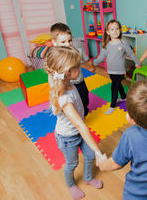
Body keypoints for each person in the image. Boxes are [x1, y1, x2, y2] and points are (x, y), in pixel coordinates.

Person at [44, 46, 105, 200]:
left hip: (78, 132)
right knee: (72, 164)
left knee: (89, 155)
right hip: (67, 138)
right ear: (66, 72)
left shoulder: (68, 81)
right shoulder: (63, 97)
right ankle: (71, 184)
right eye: (77, 67)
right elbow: (80, 125)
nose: (80, 68)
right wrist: (99, 152)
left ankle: (88, 177)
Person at [91, 20, 141, 115]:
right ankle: (123, 96)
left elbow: (131, 53)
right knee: (117, 85)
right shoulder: (107, 45)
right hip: (111, 71)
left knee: (113, 87)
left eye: (117, 28)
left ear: (120, 30)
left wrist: (137, 62)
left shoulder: (123, 43)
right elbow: (101, 57)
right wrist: (93, 63)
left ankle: (112, 105)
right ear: (108, 32)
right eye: (112, 29)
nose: (115, 31)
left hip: (120, 71)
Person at [50, 22, 93, 116]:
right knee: (72, 104)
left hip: (80, 82)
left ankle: (84, 113)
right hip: (67, 86)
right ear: (54, 42)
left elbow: (87, 59)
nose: (67, 44)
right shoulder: (56, 58)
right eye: (63, 42)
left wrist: (91, 67)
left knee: (85, 100)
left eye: (69, 41)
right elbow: (52, 74)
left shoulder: (77, 51)